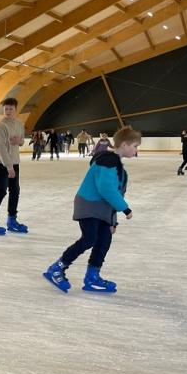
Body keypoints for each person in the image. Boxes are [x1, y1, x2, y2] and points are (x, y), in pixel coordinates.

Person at [43, 125, 139, 294]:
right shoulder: (107, 161)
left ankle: (92, 277)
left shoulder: (119, 168)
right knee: (89, 239)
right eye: (134, 146)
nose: (136, 149)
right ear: (124, 144)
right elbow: (106, 189)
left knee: (104, 241)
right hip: (88, 205)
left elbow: (116, 194)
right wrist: (126, 209)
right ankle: (56, 268)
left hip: (101, 211)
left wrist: (112, 221)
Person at [0, 97, 27, 235]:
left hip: (14, 162)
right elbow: (1, 147)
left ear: (15, 109)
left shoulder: (19, 124)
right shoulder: (0, 126)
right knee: (1, 191)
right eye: (6, 109)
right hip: (1, 163)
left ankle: (12, 221)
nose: (8, 111)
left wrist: (19, 141)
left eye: (11, 109)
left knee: (15, 191)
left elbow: (21, 141)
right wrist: (9, 167)